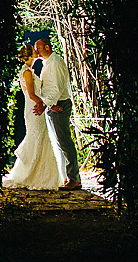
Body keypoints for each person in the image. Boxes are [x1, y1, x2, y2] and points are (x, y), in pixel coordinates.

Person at [3, 45, 65, 189]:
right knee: (36, 137)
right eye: (34, 51)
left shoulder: (29, 71)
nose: (36, 52)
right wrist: (48, 105)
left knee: (40, 138)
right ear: (30, 55)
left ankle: (40, 173)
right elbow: (31, 94)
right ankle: (30, 174)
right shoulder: (27, 72)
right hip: (34, 109)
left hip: (35, 107)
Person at [33, 38, 82, 190]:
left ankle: (74, 178)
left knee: (64, 141)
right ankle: (66, 176)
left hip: (59, 105)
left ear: (47, 47)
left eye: (38, 48)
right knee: (58, 143)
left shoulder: (55, 63)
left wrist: (48, 104)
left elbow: (57, 88)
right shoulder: (48, 63)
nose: (36, 51)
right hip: (53, 104)